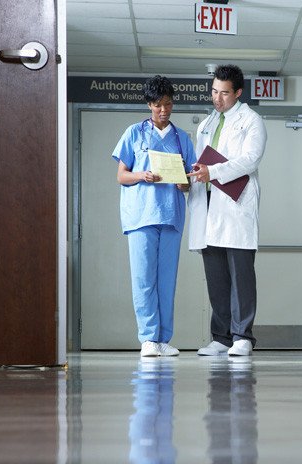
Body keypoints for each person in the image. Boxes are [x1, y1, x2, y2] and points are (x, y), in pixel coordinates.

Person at [112, 75, 196, 357]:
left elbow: (188, 183)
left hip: (171, 216)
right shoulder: (134, 133)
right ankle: (148, 338)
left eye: (168, 104)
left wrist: (183, 182)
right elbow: (121, 176)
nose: (164, 110)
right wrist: (142, 175)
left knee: (166, 279)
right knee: (144, 278)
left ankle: (163, 339)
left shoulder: (181, 138)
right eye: (158, 105)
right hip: (141, 216)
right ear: (149, 105)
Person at [187, 64, 267, 357]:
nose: (217, 99)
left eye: (224, 93)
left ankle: (242, 335)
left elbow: (250, 160)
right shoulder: (206, 124)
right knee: (217, 276)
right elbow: (199, 161)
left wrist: (214, 170)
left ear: (238, 93)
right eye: (214, 92)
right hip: (208, 206)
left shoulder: (252, 121)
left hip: (235, 206)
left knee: (240, 275)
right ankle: (220, 338)